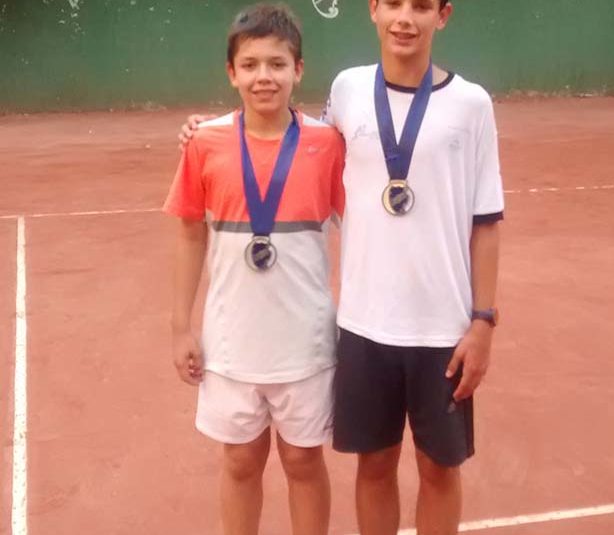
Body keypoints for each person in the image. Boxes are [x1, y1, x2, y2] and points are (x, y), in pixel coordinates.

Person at [180, 1, 504, 534]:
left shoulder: (472, 105)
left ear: (443, 15)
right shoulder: (348, 90)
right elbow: (289, 134)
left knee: (439, 468)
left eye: (421, 6)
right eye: (393, 3)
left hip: (443, 328)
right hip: (363, 327)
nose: (405, 18)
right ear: (373, 9)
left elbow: (486, 221)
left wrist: (483, 320)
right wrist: (207, 129)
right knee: (373, 466)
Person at [164, 4, 345, 535]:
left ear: (299, 70)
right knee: (241, 461)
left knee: (303, 461)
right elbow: (190, 234)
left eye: (277, 64)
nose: (263, 76)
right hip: (231, 341)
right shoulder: (204, 142)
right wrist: (180, 326)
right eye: (250, 65)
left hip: (305, 342)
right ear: (231, 73)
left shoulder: (327, 144)